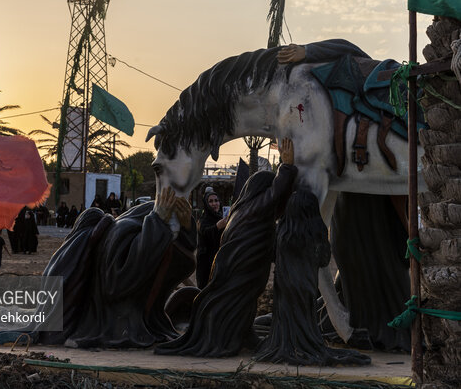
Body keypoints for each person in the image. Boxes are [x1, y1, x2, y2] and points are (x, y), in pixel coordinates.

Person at [0, 186, 196, 348]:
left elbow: (178, 263)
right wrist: (157, 224)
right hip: (112, 322)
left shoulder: (126, 229)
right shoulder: (119, 235)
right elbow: (118, 283)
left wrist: (184, 228)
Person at [155, 138, 297, 357]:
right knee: (239, 303)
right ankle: (236, 335)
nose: (214, 204)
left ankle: (244, 332)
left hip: (237, 272)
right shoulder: (254, 209)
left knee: (243, 304)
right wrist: (286, 166)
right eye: (210, 201)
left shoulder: (240, 211)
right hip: (237, 272)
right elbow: (274, 194)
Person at [254, 189, 370, 365]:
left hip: (284, 286)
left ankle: (286, 345)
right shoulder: (316, 229)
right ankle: (305, 345)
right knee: (305, 319)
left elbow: (271, 256)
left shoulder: (282, 231)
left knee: (286, 318)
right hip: (305, 285)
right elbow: (324, 260)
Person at [195, 187, 227, 288]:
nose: (214, 204)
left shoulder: (222, 217)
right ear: (206, 204)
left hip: (220, 261)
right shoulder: (203, 220)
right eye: (211, 201)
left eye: (216, 201)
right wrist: (217, 227)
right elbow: (205, 233)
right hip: (206, 264)